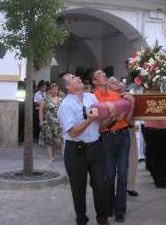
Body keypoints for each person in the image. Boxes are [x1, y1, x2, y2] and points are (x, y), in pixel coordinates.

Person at [57, 73, 109, 225]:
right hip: (76, 151)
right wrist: (89, 120)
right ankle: (81, 220)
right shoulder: (65, 105)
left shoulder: (91, 97)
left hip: (95, 146)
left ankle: (102, 218)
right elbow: (72, 132)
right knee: (78, 189)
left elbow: (100, 122)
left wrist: (109, 116)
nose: (78, 78)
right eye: (73, 78)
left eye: (76, 76)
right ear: (68, 87)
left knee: (101, 184)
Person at [92, 70, 135, 223]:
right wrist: (114, 118)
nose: (103, 74)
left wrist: (133, 103)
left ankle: (120, 210)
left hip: (123, 136)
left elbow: (129, 120)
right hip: (107, 138)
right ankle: (109, 206)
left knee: (123, 174)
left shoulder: (119, 96)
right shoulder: (93, 97)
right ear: (95, 82)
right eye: (100, 74)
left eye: (104, 73)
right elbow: (98, 125)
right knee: (109, 176)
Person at [107, 77, 139, 198]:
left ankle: (130, 186)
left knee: (132, 159)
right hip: (110, 133)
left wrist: (132, 103)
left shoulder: (127, 96)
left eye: (118, 82)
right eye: (113, 82)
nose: (117, 84)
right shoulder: (107, 98)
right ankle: (114, 189)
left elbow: (130, 119)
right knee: (113, 166)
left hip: (128, 131)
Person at [144, 120, 166, 189]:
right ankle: (159, 180)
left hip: (165, 129)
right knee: (156, 155)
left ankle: (160, 179)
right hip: (154, 129)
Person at [38, 83, 63, 165]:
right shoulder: (45, 99)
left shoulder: (60, 99)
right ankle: (50, 156)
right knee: (49, 140)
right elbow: (41, 110)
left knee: (57, 141)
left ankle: (53, 154)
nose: (55, 91)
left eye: (57, 89)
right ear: (50, 90)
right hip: (48, 122)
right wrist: (41, 121)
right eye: (54, 89)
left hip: (58, 123)